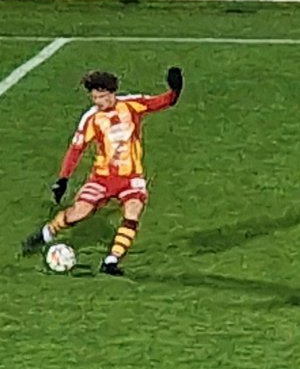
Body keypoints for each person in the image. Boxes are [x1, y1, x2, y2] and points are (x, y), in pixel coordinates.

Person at [21, 67, 184, 276]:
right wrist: (63, 178)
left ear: (112, 93)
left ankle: (111, 260)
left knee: (133, 211)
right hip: (102, 178)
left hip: (131, 177)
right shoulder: (92, 118)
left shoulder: (131, 105)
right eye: (94, 97)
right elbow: (76, 148)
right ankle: (46, 233)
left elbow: (162, 102)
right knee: (80, 212)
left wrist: (175, 90)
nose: (97, 101)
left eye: (101, 96)